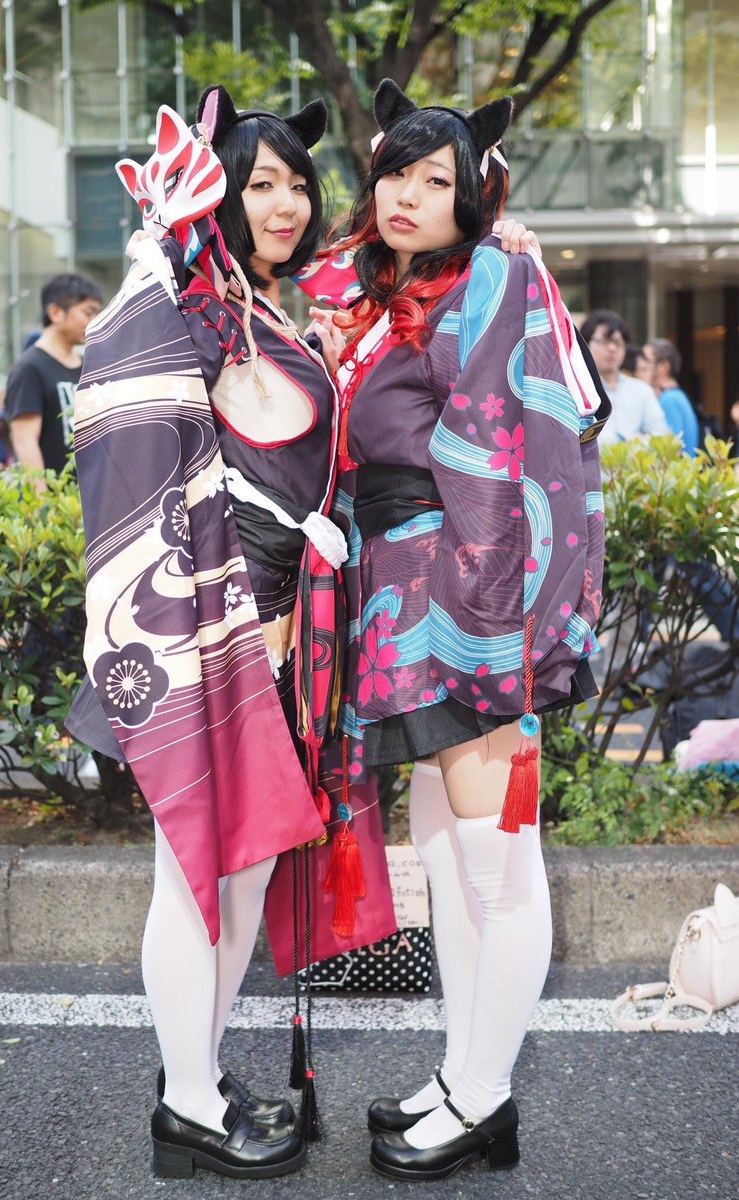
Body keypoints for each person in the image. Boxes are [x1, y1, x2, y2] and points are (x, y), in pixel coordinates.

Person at [66, 87, 400, 1181]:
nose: (287, 202)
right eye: (260, 183)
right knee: (195, 872)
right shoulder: (193, 305)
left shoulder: (264, 308)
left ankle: (198, 1076)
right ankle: (188, 1105)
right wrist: (158, 247)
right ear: (218, 194)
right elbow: (125, 415)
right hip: (219, 628)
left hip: (281, 633)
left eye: (297, 182)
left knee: (244, 872)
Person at [300, 80, 606, 1182]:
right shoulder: (384, 295)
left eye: (439, 180)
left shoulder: (494, 277)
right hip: (408, 600)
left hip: (469, 602)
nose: (409, 194)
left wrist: (492, 626)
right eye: (397, 171)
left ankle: (484, 1098)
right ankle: (463, 1073)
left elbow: (522, 440)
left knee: (495, 862)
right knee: (445, 855)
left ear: (475, 198)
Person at [4, 274, 103, 477]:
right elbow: (25, 441)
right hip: (57, 494)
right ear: (56, 312)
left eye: (97, 313)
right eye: (88, 312)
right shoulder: (29, 368)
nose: (94, 321)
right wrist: (43, 496)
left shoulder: (88, 365)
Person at [581, 310, 668, 446]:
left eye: (617, 342)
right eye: (604, 341)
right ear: (585, 344)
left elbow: (661, 437)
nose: (612, 348)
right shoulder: (577, 391)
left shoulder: (642, 390)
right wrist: (634, 441)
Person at [644, 338, 699, 454]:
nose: (641, 365)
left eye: (646, 360)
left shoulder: (669, 400)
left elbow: (671, 451)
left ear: (663, 366)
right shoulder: (676, 396)